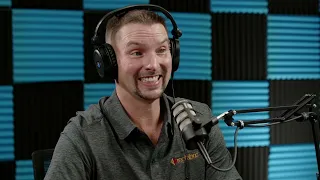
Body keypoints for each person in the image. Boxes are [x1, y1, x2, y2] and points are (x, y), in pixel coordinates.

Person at [44, 5, 242, 180]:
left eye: (162, 50)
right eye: (137, 52)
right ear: (109, 63)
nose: (153, 65)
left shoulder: (200, 119)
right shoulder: (82, 136)